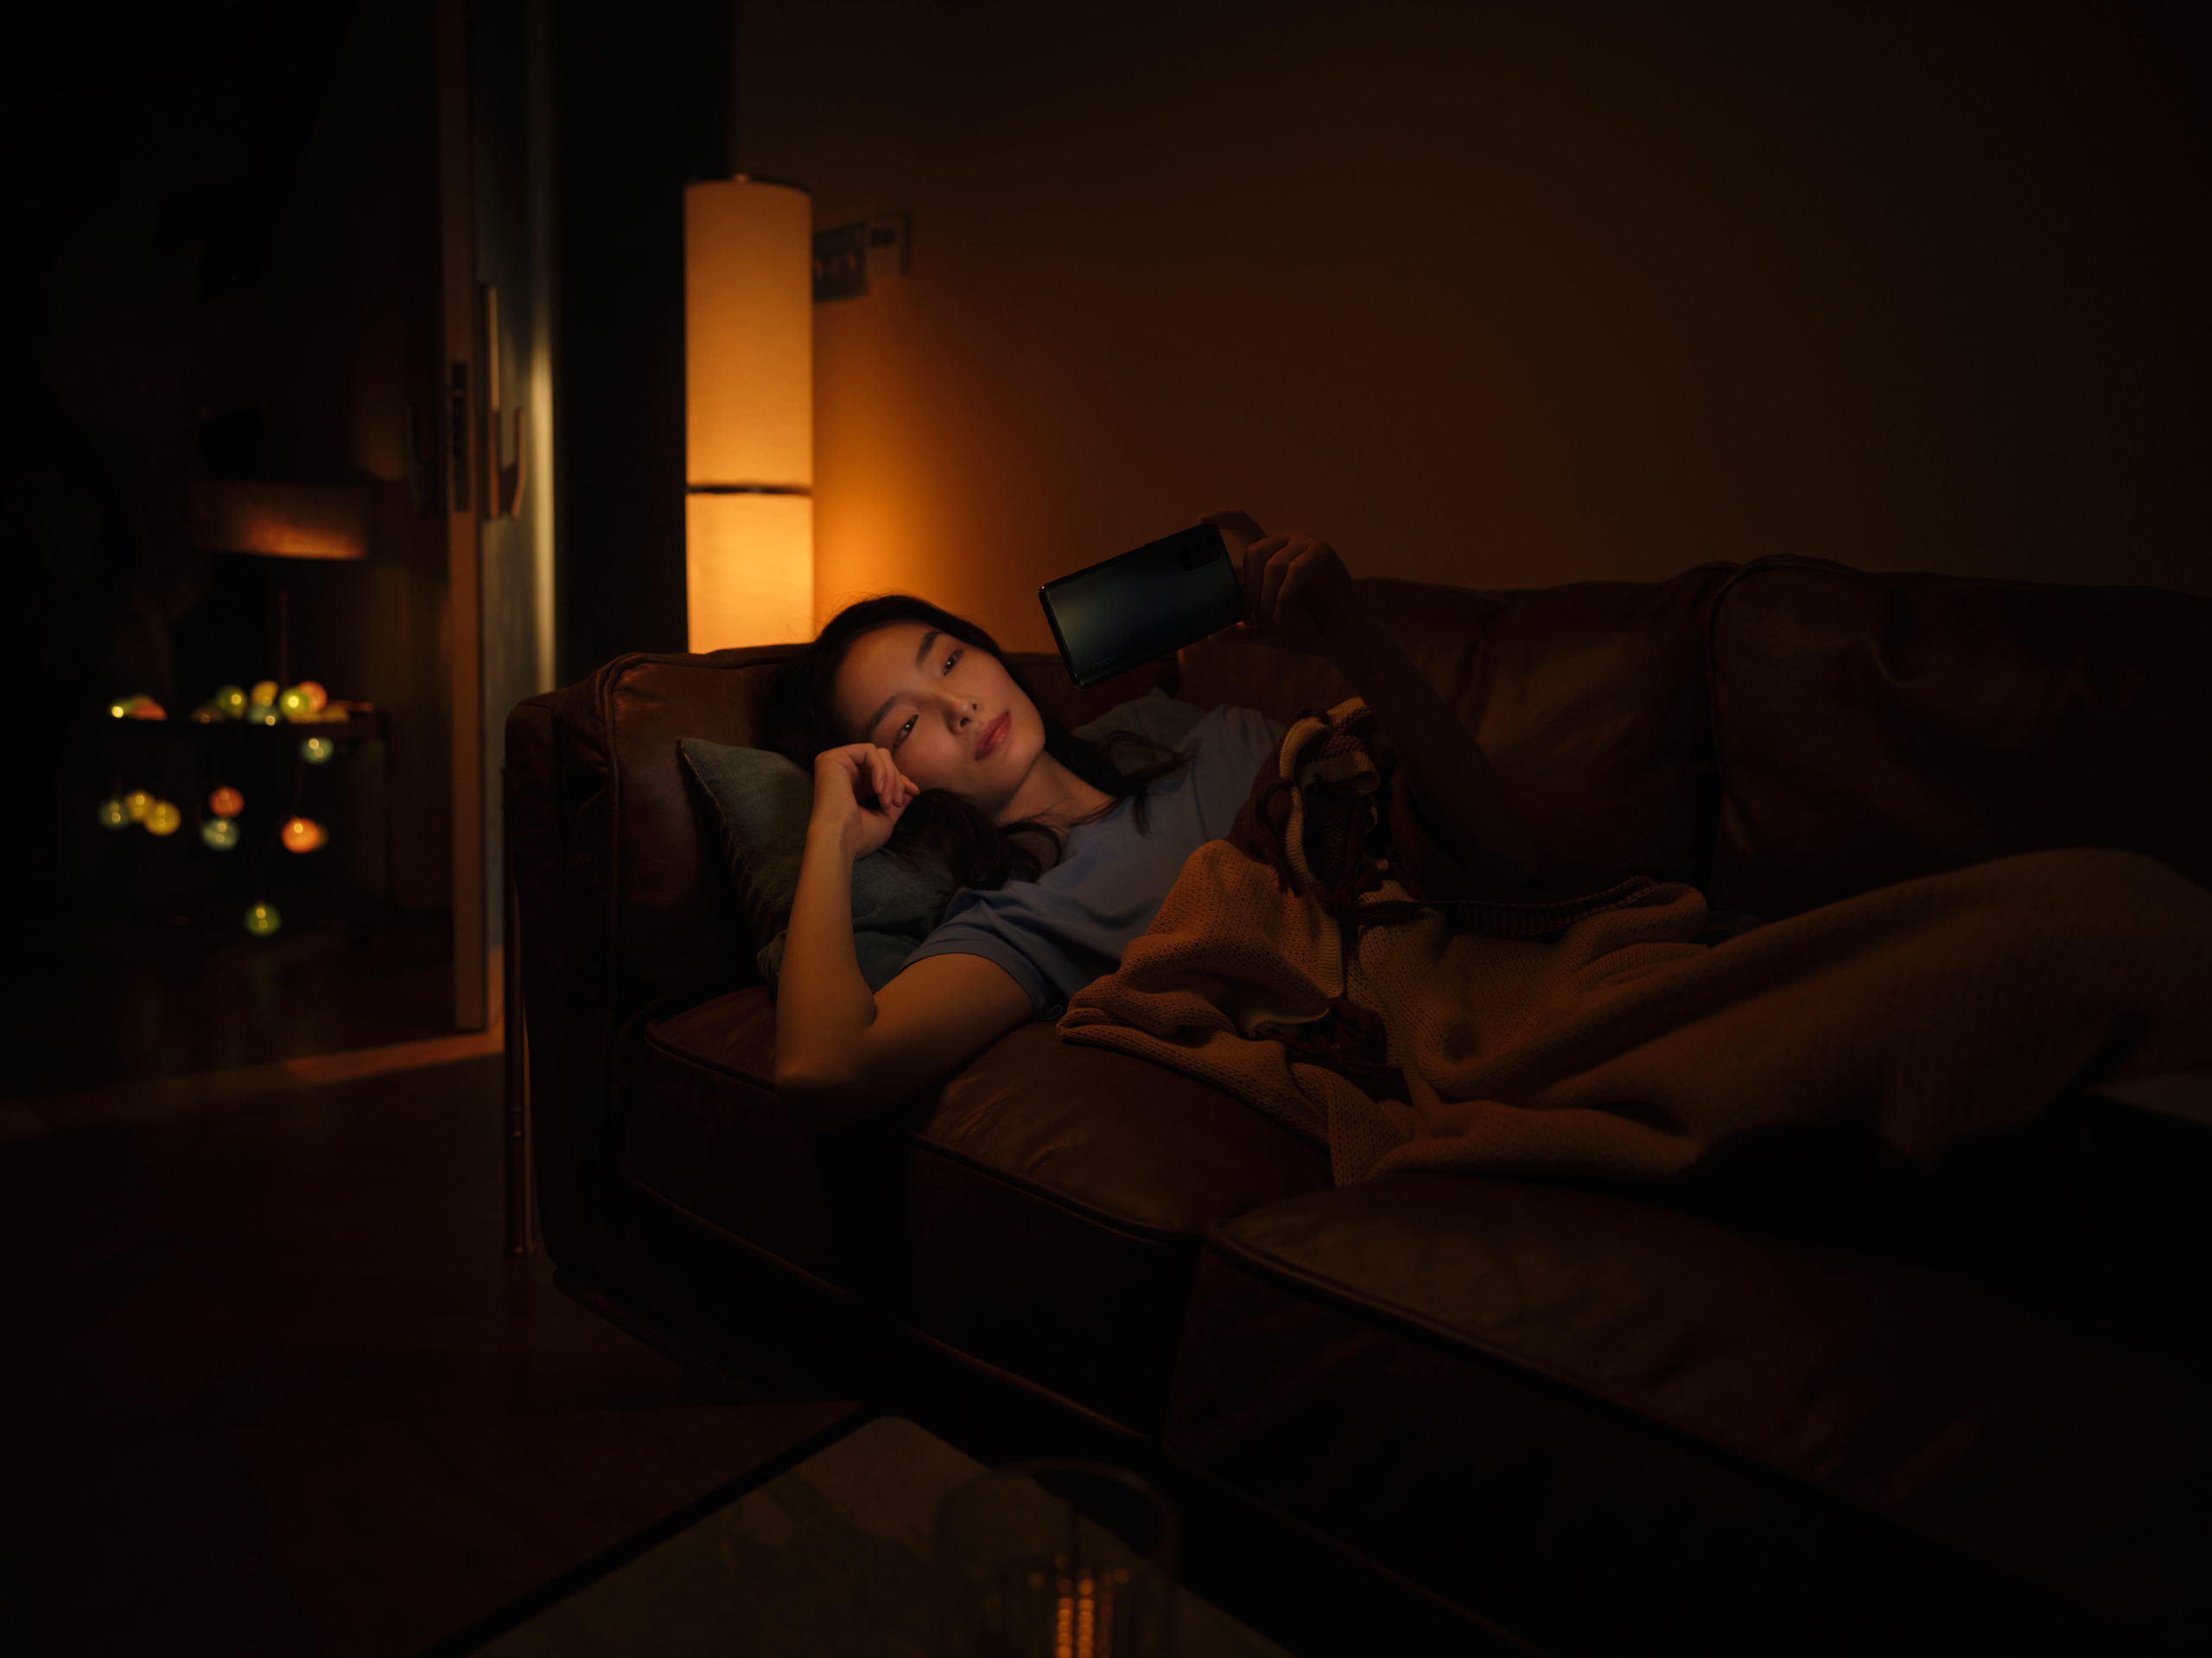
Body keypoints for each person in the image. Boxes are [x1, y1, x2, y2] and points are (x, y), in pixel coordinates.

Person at [760, 510, 1538, 1130]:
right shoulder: (1028, 916)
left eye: (951, 660)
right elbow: (821, 1068)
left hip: (1508, 965)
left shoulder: (1223, 739)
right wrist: (831, 833)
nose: (958, 706)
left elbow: (1502, 858)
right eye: (905, 725)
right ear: (890, 778)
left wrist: (1352, 637)